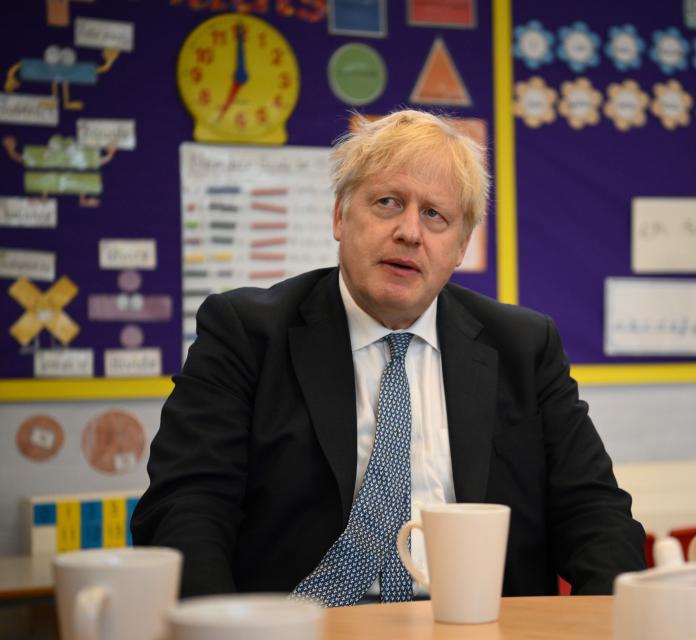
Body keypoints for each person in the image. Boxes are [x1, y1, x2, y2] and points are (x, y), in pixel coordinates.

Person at [131, 109, 647, 603]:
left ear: (461, 245)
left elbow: (596, 514)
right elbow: (186, 506)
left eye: (435, 215)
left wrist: (599, 621)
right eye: (387, 203)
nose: (409, 232)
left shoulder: (524, 347)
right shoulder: (246, 333)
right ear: (339, 215)